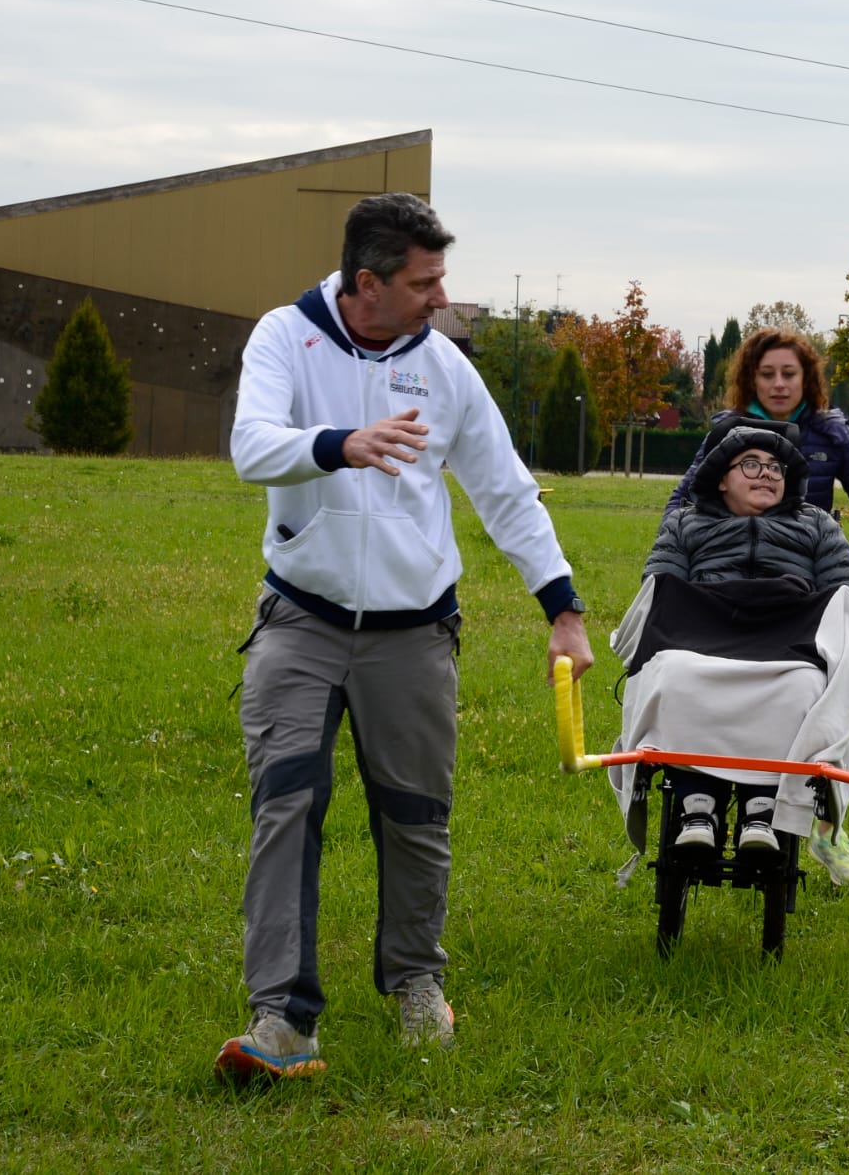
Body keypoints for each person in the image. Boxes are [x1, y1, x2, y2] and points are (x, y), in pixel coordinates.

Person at [217, 192, 593, 1082]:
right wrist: (341, 443)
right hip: (300, 621)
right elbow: (251, 446)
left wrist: (565, 609)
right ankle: (282, 1020)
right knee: (287, 805)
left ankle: (417, 983)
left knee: (418, 816)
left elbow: (505, 489)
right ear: (367, 283)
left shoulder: (447, 369)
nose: (440, 297)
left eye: (441, 279)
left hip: (414, 631)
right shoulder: (284, 337)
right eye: (425, 282)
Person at [666, 328, 849, 885]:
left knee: (821, 696)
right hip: (724, 590)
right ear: (750, 378)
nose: (778, 384)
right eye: (766, 374)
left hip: (801, 583)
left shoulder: (832, 434)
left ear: (807, 378)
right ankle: (706, 799)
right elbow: (682, 503)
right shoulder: (725, 433)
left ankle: (826, 831)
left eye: (789, 374)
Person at [645, 422, 849, 858]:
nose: (766, 473)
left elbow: (846, 597)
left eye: (775, 467)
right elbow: (659, 590)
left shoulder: (817, 526)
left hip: (788, 648)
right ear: (721, 478)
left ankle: (761, 810)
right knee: (671, 675)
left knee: (803, 686)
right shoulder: (685, 524)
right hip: (700, 643)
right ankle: (696, 805)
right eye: (751, 464)